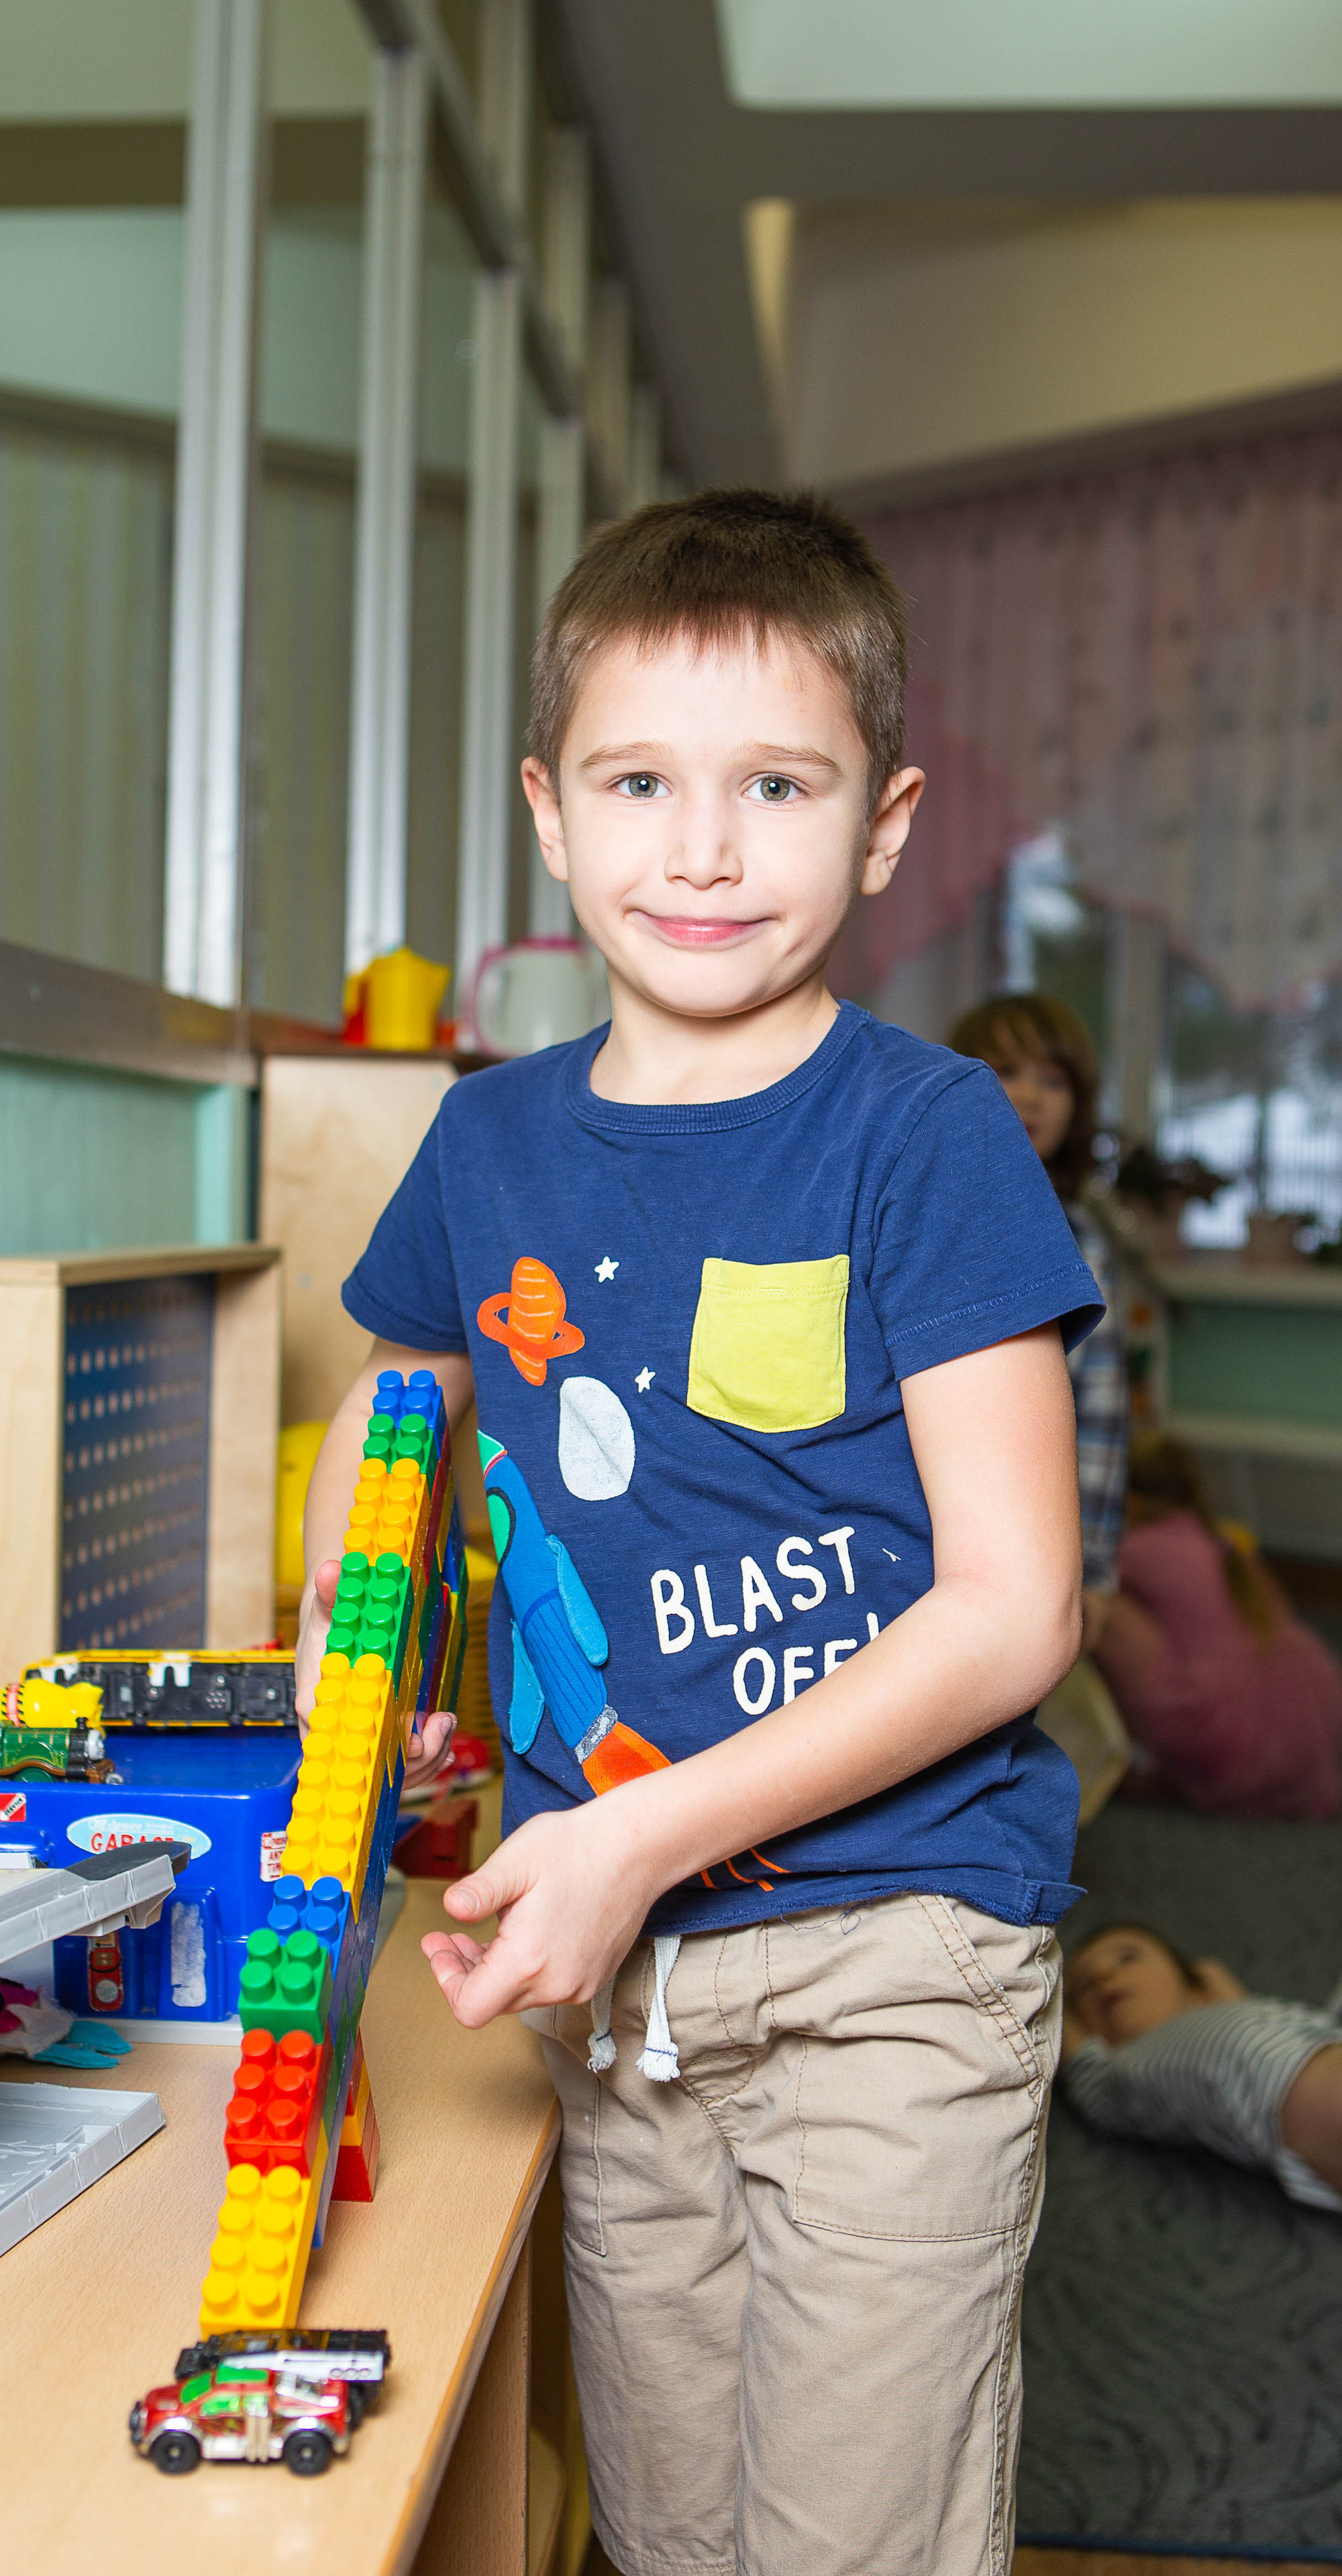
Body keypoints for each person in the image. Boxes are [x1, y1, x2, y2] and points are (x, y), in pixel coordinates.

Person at [296, 489, 1103, 2576]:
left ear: (886, 821)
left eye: (778, 784)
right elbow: (395, 1397)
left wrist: (641, 1832)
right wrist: (343, 1659)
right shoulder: (482, 1143)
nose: (707, 846)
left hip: (893, 1949)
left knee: (847, 2543)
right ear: (553, 815)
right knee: (667, 2532)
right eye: (644, 783)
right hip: (618, 1978)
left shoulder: (920, 1137)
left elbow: (1018, 1610)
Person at [948, 993, 1129, 1639]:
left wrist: (1095, 1572)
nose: (1029, 1096)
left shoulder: (1081, 1239)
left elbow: (1102, 1416)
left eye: (1053, 1080)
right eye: (1006, 1071)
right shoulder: (923, 1214)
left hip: (1034, 1544)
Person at [1088, 1431, 1342, 1819]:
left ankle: (1123, 1755)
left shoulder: (1140, 1548)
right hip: (1306, 1724)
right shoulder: (1220, 1543)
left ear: (1128, 1500)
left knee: (1097, 1605)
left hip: (1226, 1734)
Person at [1062, 1920, 1342, 2212]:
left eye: (1127, 1957)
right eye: (1085, 1987)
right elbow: (1084, 2075)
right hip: (1295, 2095)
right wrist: (1053, 1996)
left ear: (1196, 1985)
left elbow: (1240, 2011)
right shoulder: (1123, 2070)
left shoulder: (1234, 2012)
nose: (1104, 1977)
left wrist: (1212, 1983)